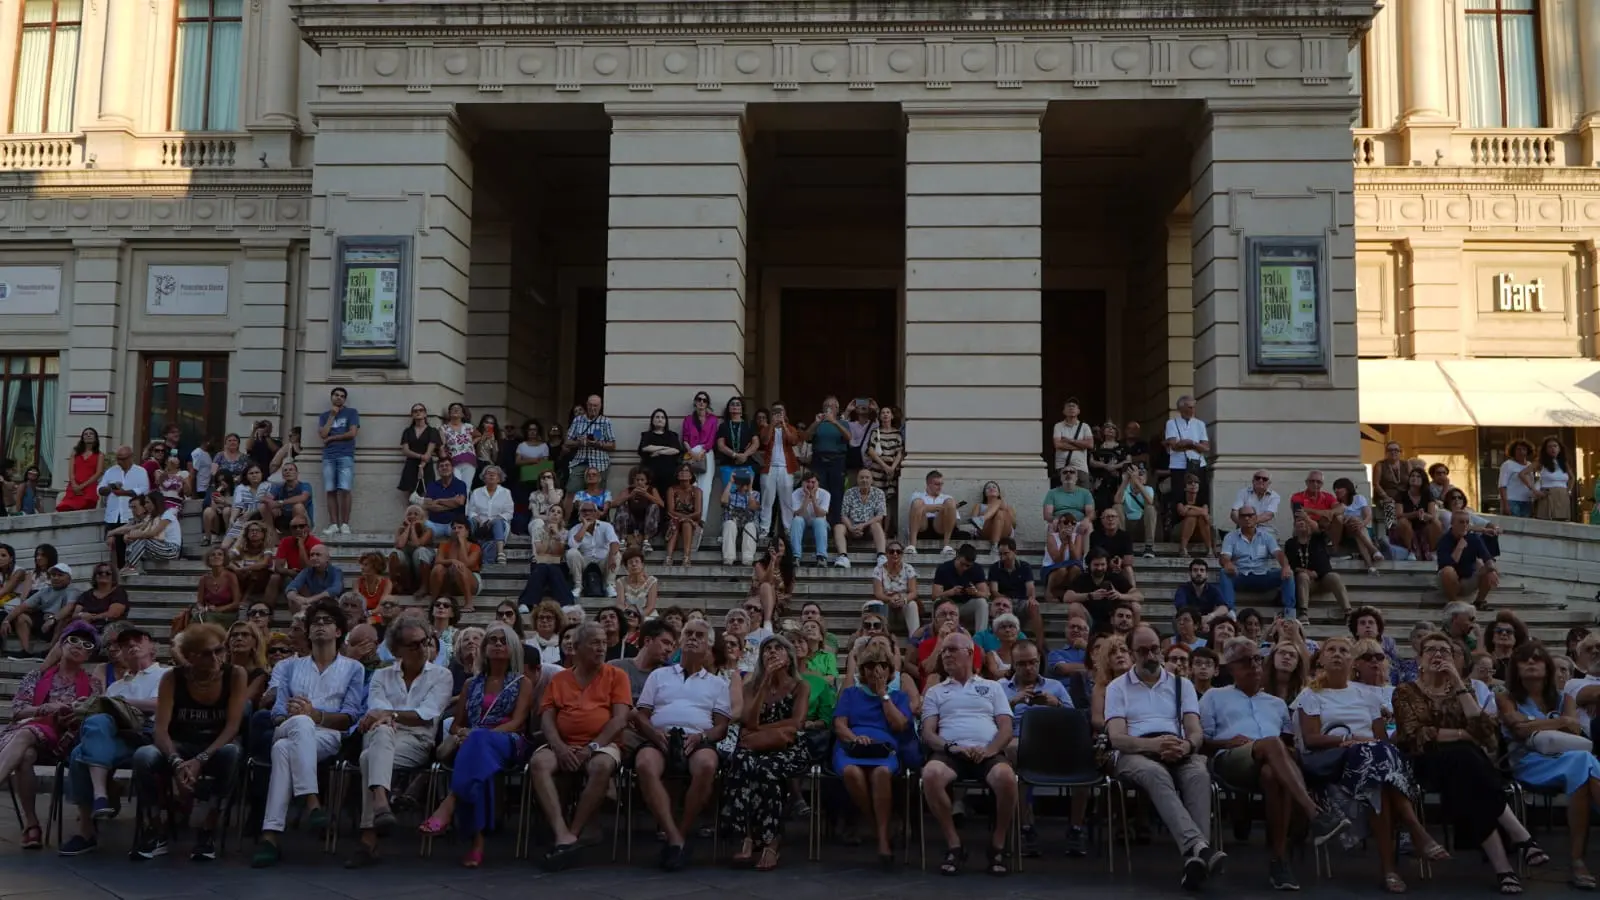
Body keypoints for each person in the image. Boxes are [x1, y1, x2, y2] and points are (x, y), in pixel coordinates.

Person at [1394, 631, 1547, 895]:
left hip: (1464, 768)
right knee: (1467, 756)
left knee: (1467, 775)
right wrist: (1463, 734)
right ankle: (1521, 837)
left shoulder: (1462, 688)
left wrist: (1457, 681)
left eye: (1445, 651)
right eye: (1431, 650)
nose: (1438, 654)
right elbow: (1414, 734)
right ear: (1419, 659)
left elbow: (1484, 731)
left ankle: (1504, 868)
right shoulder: (1405, 691)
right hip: (1424, 762)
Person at [1200, 637, 1347, 889]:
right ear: (1231, 667)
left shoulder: (1276, 703)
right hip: (1231, 759)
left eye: (1257, 659)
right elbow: (1202, 741)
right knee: (1272, 744)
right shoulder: (1214, 696)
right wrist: (1226, 742)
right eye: (1246, 661)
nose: (1254, 665)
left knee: (1272, 773)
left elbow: (1288, 742)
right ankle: (1314, 813)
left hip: (1271, 762)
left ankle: (1279, 862)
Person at [1292, 636, 1434, 892]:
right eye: (1331, 650)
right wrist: (1349, 740)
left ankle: (1390, 870)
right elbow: (1311, 739)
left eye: (1343, 650)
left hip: (1373, 762)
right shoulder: (1310, 694)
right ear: (1321, 659)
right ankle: (1414, 828)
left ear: (1352, 661)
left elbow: (1380, 739)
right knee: (1375, 762)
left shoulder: (1367, 696)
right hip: (1336, 759)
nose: (1337, 654)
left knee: (1378, 782)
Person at [251, 598, 367, 867]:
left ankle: (270, 836)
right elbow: (276, 713)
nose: (320, 625)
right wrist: (294, 715)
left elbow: (350, 717)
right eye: (315, 622)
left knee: (282, 750)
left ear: (339, 631)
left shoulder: (354, 668)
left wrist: (316, 715)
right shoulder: (287, 666)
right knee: (299, 725)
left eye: (327, 621)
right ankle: (312, 800)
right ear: (308, 631)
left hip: (327, 735)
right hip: (288, 727)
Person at [1106, 624, 1223, 889]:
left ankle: (1195, 861)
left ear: (1161, 649)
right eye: (1142, 651)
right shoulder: (1117, 687)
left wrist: (1187, 746)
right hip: (1136, 751)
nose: (1150, 656)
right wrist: (1153, 745)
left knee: (1198, 774)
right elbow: (1117, 738)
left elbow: (1195, 731)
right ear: (1131, 653)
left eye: (1154, 649)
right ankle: (1200, 848)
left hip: (1176, 747)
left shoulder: (1182, 685)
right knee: (1154, 773)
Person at [419, 622, 533, 867]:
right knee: (480, 767)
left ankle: (450, 803)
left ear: (513, 647)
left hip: (509, 741)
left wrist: (478, 735)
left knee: (478, 744)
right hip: (475, 744)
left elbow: (518, 723)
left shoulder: (522, 682)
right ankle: (477, 845)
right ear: (485, 648)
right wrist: (467, 734)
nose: (498, 644)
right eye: (493, 640)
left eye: (503, 641)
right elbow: (455, 725)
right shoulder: (471, 684)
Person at [345, 616, 452, 868]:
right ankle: (381, 807)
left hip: (416, 741)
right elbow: (376, 711)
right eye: (414, 645)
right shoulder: (381, 675)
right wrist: (386, 717)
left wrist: (391, 715)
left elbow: (426, 715)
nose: (422, 648)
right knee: (381, 735)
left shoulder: (441, 675)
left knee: (368, 757)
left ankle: (370, 832)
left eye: (425, 642)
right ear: (397, 650)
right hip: (380, 736)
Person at [1497, 640, 1600, 889]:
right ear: (1516, 668)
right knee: (1585, 762)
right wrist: (1561, 721)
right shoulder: (1504, 697)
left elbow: (1574, 728)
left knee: (1582, 765)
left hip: (1567, 759)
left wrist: (1533, 722)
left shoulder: (1565, 698)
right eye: (1524, 659)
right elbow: (1518, 729)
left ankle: (1578, 861)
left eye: (1537, 658)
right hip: (1527, 762)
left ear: (1547, 666)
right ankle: (1576, 862)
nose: (1531, 662)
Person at [529, 622, 631, 871]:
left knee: (601, 765)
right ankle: (561, 832)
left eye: (604, 643)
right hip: (563, 743)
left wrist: (592, 747)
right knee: (539, 763)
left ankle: (574, 832)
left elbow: (619, 720)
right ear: (576, 648)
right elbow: (547, 718)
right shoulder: (560, 679)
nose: (601, 648)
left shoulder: (617, 676)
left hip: (602, 743)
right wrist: (559, 746)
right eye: (595, 643)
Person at [59, 626, 166, 856]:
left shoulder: (166, 675)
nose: (132, 645)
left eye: (139, 640)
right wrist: (85, 706)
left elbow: (160, 704)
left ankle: (94, 815)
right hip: (116, 738)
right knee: (82, 747)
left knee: (84, 749)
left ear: (153, 647)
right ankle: (97, 805)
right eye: (126, 644)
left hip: (147, 736)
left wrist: (119, 703)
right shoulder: (116, 686)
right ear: (122, 654)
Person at [633, 618, 730, 870]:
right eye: (689, 634)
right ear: (681, 641)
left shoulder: (718, 684)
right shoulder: (658, 675)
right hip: (660, 737)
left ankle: (680, 833)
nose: (693, 639)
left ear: (709, 646)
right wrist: (654, 734)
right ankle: (675, 837)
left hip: (697, 740)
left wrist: (702, 737)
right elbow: (641, 715)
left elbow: (721, 727)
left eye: (699, 635)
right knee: (644, 764)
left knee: (707, 764)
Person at [918, 630, 1017, 876]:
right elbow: (928, 733)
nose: (946, 654)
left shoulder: (992, 687)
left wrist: (990, 750)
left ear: (970, 653)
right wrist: (951, 747)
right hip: (951, 752)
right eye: (944, 651)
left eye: (952, 649)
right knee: (930, 774)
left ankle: (997, 844)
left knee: (1007, 777)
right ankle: (954, 844)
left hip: (987, 750)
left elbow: (1006, 728)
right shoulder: (935, 691)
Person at [720, 635, 812, 871]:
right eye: (767, 648)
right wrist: (765, 683)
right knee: (741, 761)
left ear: (788, 656)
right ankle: (747, 836)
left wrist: (760, 730)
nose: (772, 652)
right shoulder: (751, 686)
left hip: (788, 747)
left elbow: (797, 723)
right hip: (756, 745)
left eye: (778, 648)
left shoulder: (800, 686)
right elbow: (749, 721)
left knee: (766, 769)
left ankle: (772, 841)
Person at [833, 640, 917, 864]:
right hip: (852, 746)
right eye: (870, 666)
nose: (876, 671)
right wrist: (854, 738)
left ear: (890, 670)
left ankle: (881, 839)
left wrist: (882, 695)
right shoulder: (851, 694)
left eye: (882, 665)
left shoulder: (898, 697)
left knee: (881, 773)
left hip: (884, 749)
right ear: (862, 670)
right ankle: (879, 829)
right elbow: (840, 725)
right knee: (851, 772)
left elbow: (899, 724)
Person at [1000, 641, 1073, 855]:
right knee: (1014, 754)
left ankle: (1076, 829)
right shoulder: (1000, 688)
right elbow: (987, 718)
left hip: (1051, 742)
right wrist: (1012, 703)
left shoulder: (1055, 686)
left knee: (1085, 755)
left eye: (1033, 662)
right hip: (1016, 740)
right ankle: (1025, 826)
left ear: (1039, 661)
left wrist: (1056, 704)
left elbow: (1075, 720)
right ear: (1013, 665)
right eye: (1022, 664)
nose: (1028, 668)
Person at [1218, 504, 1296, 621]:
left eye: (1250, 515)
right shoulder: (1231, 537)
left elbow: (1278, 553)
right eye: (1243, 516)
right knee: (1224, 572)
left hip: (1263, 575)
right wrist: (1227, 563)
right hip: (1241, 575)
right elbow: (1224, 556)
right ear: (1239, 519)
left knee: (1288, 572)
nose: (1247, 518)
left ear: (1256, 517)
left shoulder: (1266, 536)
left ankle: (1289, 613)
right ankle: (1230, 611)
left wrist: (1285, 566)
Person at [2, 562, 77, 656]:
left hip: (58, 623)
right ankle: (25, 651)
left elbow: (69, 607)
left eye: (60, 575)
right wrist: (6, 621)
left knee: (64, 619)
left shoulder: (72, 591)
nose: (56, 578)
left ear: (69, 578)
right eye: (53, 575)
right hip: (43, 621)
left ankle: (50, 651)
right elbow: (22, 606)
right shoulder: (45, 591)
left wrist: (53, 619)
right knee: (21, 617)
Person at [1283, 512, 1351, 616]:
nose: (1302, 523)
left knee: (1335, 577)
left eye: (1304, 521)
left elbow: (1321, 531)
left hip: (1322, 579)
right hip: (1304, 583)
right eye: (1299, 521)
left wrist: (1307, 518)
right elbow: (1290, 565)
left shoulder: (1318, 539)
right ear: (1294, 526)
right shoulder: (1290, 543)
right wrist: (1306, 572)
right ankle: (1303, 612)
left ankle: (1348, 611)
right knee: (1303, 576)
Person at [98, 445, 152, 570]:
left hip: (131, 515)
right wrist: (110, 488)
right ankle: (117, 573)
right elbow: (100, 489)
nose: (119, 462)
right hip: (113, 516)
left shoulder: (140, 471)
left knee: (129, 546)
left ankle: (128, 570)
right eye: (118, 458)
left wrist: (124, 493)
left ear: (130, 457)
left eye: (122, 459)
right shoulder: (111, 471)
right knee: (113, 548)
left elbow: (144, 490)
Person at [802, 396, 851, 528]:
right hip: (819, 460)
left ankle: (836, 524)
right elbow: (806, 437)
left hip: (837, 460)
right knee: (819, 490)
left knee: (837, 492)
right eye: (826, 406)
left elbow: (849, 437)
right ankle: (821, 523)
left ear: (837, 409)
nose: (828, 408)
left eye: (831, 406)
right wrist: (816, 423)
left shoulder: (843, 423)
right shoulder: (818, 423)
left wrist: (834, 422)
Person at [1062, 548, 1140, 629]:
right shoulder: (1082, 578)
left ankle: (1131, 635)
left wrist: (1120, 595)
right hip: (1089, 620)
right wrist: (1090, 596)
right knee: (1074, 607)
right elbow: (1067, 597)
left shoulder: (1115, 577)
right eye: (1096, 565)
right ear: (1089, 564)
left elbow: (1139, 595)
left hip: (1114, 619)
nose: (1099, 568)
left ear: (1107, 564)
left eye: (1102, 565)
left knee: (1136, 606)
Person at [756, 401, 800, 542]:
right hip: (769, 468)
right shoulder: (766, 428)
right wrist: (772, 425)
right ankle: (764, 529)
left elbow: (793, 441)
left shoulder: (791, 428)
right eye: (775, 411)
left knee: (786, 500)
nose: (778, 413)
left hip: (786, 468)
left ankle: (788, 529)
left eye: (780, 411)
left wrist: (784, 425)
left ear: (785, 413)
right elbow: (765, 441)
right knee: (767, 500)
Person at [1437, 511, 1500, 608]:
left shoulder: (1474, 538)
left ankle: (1479, 601)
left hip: (1469, 579)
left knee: (1490, 568)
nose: (1465, 525)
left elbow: (1488, 558)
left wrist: (1491, 570)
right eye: (1461, 522)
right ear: (1452, 523)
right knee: (1447, 571)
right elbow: (1447, 565)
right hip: (1450, 582)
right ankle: (1454, 603)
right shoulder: (1444, 540)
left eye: (1467, 522)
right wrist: (1459, 547)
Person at [930, 544, 991, 634]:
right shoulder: (944, 568)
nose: (964, 568)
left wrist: (975, 592)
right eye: (962, 564)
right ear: (957, 556)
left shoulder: (977, 569)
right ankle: (936, 635)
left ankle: (980, 637)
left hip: (966, 606)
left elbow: (986, 595)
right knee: (937, 602)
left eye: (968, 566)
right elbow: (935, 596)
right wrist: (950, 592)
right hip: (948, 606)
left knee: (982, 603)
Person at [834, 468, 888, 568]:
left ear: (872, 480)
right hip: (852, 527)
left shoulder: (879, 493)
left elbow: (880, 516)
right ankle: (843, 557)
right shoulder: (849, 493)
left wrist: (863, 525)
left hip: (869, 527)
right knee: (838, 527)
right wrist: (851, 528)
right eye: (861, 477)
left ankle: (881, 556)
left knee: (876, 525)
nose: (864, 480)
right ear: (857, 480)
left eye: (867, 477)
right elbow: (844, 515)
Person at [566, 501, 621, 598]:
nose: (587, 513)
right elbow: (572, 545)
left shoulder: (606, 526)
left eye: (591, 511)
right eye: (584, 511)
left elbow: (614, 542)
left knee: (616, 553)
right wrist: (585, 526)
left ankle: (609, 585)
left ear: (596, 513)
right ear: (579, 514)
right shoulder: (575, 529)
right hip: (584, 563)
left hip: (603, 562)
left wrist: (612, 557)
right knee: (571, 553)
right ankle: (578, 586)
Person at [565, 394, 617, 494]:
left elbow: (613, 445)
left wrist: (597, 444)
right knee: (571, 490)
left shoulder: (605, 421)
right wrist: (579, 443)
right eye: (590, 405)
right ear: (586, 405)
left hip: (599, 463)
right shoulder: (578, 420)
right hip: (580, 461)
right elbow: (567, 442)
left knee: (596, 494)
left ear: (600, 406)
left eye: (595, 406)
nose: (592, 408)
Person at [682, 391, 720, 527]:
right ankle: (688, 519)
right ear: (695, 402)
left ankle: (700, 520)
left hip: (706, 453)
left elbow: (712, 439)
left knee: (705, 488)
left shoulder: (713, 419)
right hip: (691, 453)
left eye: (704, 400)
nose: (702, 402)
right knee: (690, 485)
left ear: (707, 404)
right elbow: (685, 438)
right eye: (699, 399)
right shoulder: (688, 419)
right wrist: (692, 453)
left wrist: (702, 452)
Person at [466, 465, 514, 566]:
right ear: (484, 477)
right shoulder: (476, 492)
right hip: (479, 524)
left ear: (499, 478)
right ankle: (466, 546)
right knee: (469, 521)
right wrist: (478, 519)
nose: (491, 475)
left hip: (498, 524)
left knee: (497, 522)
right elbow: (471, 511)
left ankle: (500, 553)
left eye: (494, 473)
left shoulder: (506, 492)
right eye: (488, 473)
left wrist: (494, 520)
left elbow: (509, 513)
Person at [873, 541, 920, 638]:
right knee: (879, 604)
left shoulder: (908, 568)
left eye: (898, 552)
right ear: (886, 554)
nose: (895, 554)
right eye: (891, 551)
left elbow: (913, 592)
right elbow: (878, 593)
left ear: (902, 554)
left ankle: (914, 638)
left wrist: (904, 600)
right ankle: (881, 637)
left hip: (903, 606)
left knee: (912, 604)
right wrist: (889, 599)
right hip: (887, 605)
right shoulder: (879, 569)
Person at [907, 470, 959, 554]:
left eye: (941, 484)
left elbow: (955, 521)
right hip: (922, 525)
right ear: (928, 484)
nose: (940, 487)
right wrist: (940, 507)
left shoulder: (947, 498)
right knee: (917, 502)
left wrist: (927, 508)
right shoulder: (917, 495)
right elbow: (913, 512)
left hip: (940, 526)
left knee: (950, 502)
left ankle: (946, 546)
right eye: (937, 484)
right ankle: (912, 546)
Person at [397, 403, 441, 500]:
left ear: (425, 414)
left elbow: (429, 453)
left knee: (427, 496)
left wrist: (421, 466)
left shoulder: (432, 431)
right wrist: (420, 456)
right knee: (411, 497)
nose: (418, 412)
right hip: (411, 465)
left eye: (421, 410)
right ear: (412, 415)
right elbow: (405, 451)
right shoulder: (408, 431)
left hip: (426, 466)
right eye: (415, 411)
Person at [56, 428, 105, 513]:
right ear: (82, 438)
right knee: (65, 507)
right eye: (85, 434)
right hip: (74, 486)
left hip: (89, 487)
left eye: (91, 434)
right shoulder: (75, 452)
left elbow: (98, 473)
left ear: (95, 438)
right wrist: (74, 485)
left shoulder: (100, 455)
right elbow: (71, 472)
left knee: (85, 507)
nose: (88, 435)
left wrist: (81, 487)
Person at [787, 470, 831, 566]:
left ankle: (821, 556)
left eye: (813, 482)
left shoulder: (825, 494)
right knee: (797, 520)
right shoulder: (796, 494)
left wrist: (814, 499)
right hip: (802, 527)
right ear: (802, 483)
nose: (810, 485)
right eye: (807, 482)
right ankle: (796, 556)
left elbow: (820, 514)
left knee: (819, 521)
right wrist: (807, 497)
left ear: (818, 483)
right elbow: (798, 514)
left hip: (820, 527)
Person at [615, 467, 665, 550]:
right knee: (622, 506)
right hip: (631, 522)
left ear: (647, 481)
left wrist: (646, 494)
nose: (639, 482)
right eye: (637, 480)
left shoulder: (652, 489)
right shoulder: (629, 490)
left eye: (642, 480)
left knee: (654, 506)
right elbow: (614, 503)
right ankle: (623, 540)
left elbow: (662, 504)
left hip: (646, 522)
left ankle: (646, 541)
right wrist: (630, 496)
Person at [664, 463, 704, 567]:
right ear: (677, 475)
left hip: (692, 521)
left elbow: (698, 513)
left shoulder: (697, 491)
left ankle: (686, 557)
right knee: (675, 522)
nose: (683, 473)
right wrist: (681, 518)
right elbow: (671, 511)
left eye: (686, 471)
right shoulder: (672, 490)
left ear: (691, 475)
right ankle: (668, 557)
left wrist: (686, 519)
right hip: (675, 518)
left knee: (686, 523)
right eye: (680, 471)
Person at [285, 544, 344, 614]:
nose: (314, 558)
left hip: (332, 605)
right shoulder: (307, 571)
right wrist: (297, 598)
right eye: (312, 555)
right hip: (313, 605)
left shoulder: (336, 571)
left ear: (327, 558)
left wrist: (310, 599)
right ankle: (300, 619)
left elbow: (335, 589)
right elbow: (291, 587)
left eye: (318, 555)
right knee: (293, 600)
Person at [261, 462, 314, 536]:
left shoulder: (305, 485)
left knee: (298, 507)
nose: (288, 472)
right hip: (284, 521)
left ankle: (299, 536)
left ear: (297, 473)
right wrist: (273, 505)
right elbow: (263, 498)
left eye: (291, 469)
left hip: (302, 522)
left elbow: (303, 497)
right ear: (282, 475)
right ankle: (271, 535)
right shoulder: (278, 487)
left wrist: (280, 503)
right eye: (285, 470)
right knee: (264, 506)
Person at [421, 458, 468, 540]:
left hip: (454, 523)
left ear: (452, 468)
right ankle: (420, 548)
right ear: (438, 470)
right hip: (434, 523)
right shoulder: (432, 485)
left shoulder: (460, 484)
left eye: (447, 465)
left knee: (461, 531)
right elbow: (428, 505)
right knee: (420, 526)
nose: (444, 467)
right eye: (441, 466)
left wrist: (439, 501)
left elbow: (460, 502)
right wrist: (453, 503)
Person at [1230, 470, 1283, 535]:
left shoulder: (1274, 496)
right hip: (1244, 528)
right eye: (1257, 478)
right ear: (1253, 481)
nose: (1260, 480)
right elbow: (1234, 512)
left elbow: (1268, 515)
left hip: (1266, 530)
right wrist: (1242, 523)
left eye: (1264, 479)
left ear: (1269, 483)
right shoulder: (1243, 492)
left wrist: (1249, 522)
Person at [1499, 439, 1535, 518]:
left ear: (1527, 451)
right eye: (1518, 449)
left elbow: (1531, 484)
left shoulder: (1530, 465)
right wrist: (1505, 505)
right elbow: (1502, 486)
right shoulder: (1507, 464)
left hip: (1527, 501)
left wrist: (1532, 501)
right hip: (1512, 501)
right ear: (1513, 451)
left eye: (1524, 449)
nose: (1521, 452)